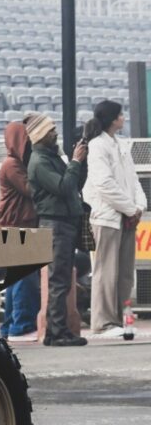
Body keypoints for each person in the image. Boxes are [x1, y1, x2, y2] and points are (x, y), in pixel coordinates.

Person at [82, 101, 146, 337]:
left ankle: (119, 318)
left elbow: (133, 180)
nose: (124, 118)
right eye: (120, 115)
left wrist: (138, 206)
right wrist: (130, 208)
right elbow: (104, 183)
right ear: (111, 119)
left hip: (126, 216)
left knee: (125, 272)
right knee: (106, 270)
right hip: (107, 217)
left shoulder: (122, 145)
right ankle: (103, 322)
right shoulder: (97, 146)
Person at [26, 113, 88, 347]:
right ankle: (58, 331)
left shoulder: (51, 157)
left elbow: (74, 185)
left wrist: (81, 163)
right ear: (40, 136)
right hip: (56, 224)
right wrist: (75, 162)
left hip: (64, 222)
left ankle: (56, 331)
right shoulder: (40, 162)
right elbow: (63, 187)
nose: (55, 133)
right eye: (50, 130)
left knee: (61, 278)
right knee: (58, 280)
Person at [0, 121, 39, 340]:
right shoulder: (12, 165)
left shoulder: (16, 163)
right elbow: (30, 189)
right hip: (16, 226)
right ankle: (21, 325)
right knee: (23, 278)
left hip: (18, 225)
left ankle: (11, 325)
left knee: (16, 278)